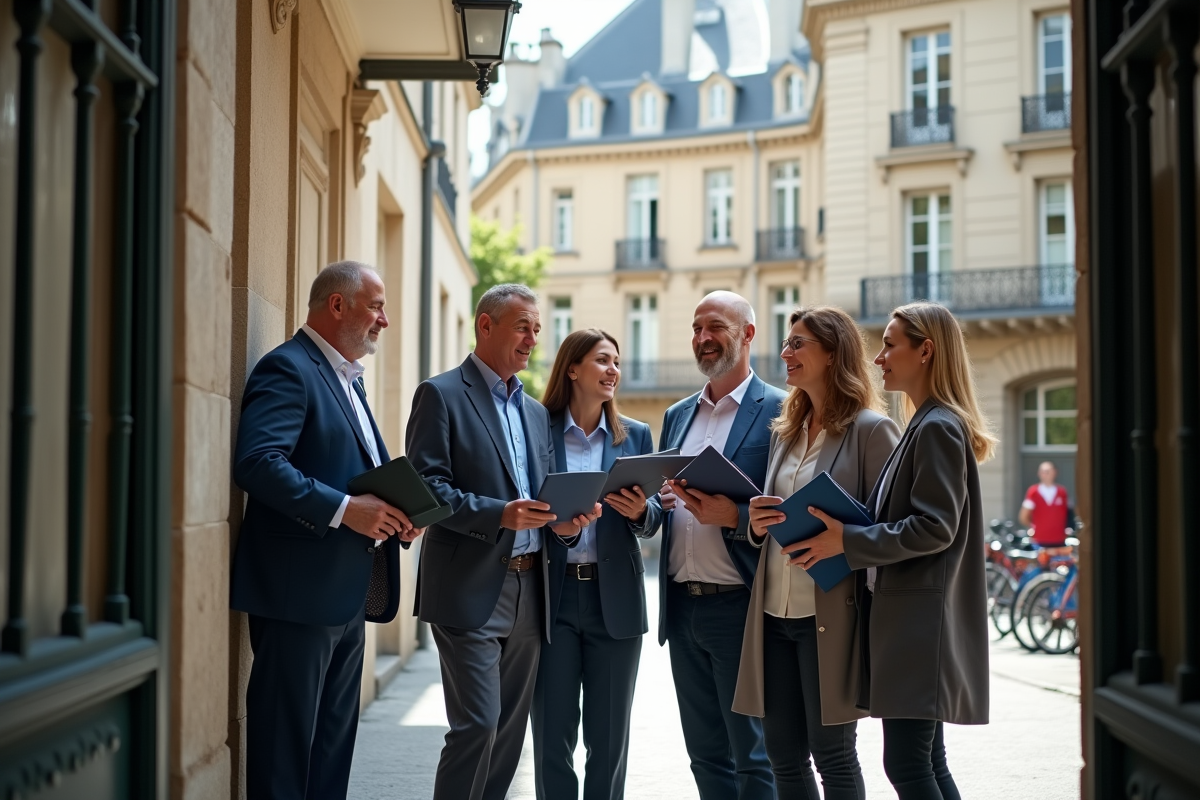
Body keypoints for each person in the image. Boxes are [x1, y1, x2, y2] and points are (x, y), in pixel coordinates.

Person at [231, 261, 423, 800]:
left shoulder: (347, 379)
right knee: (283, 753)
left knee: (332, 753)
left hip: (347, 598)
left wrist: (396, 516)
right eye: (376, 307)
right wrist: (346, 509)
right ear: (337, 306)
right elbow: (259, 462)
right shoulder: (289, 368)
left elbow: (355, 474)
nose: (384, 320)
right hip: (297, 598)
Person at [406, 283, 601, 800]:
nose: (533, 338)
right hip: (468, 586)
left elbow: (540, 497)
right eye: (522, 326)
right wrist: (502, 515)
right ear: (484, 325)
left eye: (537, 329)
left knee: (511, 736)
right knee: (478, 724)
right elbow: (428, 489)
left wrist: (562, 523)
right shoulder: (441, 393)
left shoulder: (536, 412)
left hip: (530, 589)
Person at [795, 301, 995, 800]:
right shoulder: (926, 424)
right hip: (914, 624)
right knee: (923, 760)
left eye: (889, 344)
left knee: (906, 763)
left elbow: (935, 527)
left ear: (925, 350)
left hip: (920, 628)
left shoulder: (937, 427)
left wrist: (848, 539)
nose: (878, 357)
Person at [735, 306, 901, 800]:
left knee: (832, 754)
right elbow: (768, 523)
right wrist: (757, 523)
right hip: (773, 614)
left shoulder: (872, 430)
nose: (784, 353)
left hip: (830, 614)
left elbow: (892, 530)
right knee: (783, 756)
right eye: (786, 343)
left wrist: (843, 540)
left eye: (797, 343)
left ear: (832, 354)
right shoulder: (786, 431)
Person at [657, 291, 786, 800]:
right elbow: (664, 504)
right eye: (696, 328)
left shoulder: (780, 409)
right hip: (681, 606)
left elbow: (788, 505)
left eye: (716, 327)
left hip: (741, 606)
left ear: (748, 334)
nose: (703, 339)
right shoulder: (676, 415)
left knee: (754, 757)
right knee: (705, 754)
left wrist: (732, 515)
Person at [531, 328, 664, 800]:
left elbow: (654, 519)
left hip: (617, 602)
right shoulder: (535, 427)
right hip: (552, 598)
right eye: (603, 361)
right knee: (552, 739)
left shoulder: (637, 435)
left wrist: (641, 513)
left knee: (609, 743)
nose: (614, 371)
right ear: (572, 368)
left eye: (617, 362)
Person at [1018, 461, 1070, 546]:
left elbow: (1068, 513)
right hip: (1039, 540)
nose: (1045, 475)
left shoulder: (1062, 492)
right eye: (1042, 472)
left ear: (1054, 472)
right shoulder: (1033, 492)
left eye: (1047, 472)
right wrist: (1034, 527)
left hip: (1059, 540)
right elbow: (1023, 516)